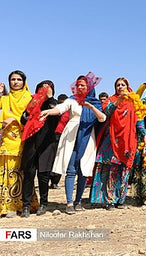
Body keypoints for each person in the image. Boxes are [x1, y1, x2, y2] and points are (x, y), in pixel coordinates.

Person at [40, 74, 105, 214]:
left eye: (83, 85)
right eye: (78, 85)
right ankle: (69, 203)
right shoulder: (72, 100)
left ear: (89, 87)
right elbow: (60, 108)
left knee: (83, 170)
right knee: (71, 170)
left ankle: (78, 201)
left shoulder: (95, 102)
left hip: (88, 138)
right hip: (71, 136)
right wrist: (49, 112)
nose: (80, 87)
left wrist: (90, 107)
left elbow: (102, 118)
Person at [90, 78, 146, 209]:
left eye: (123, 85)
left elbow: (139, 121)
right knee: (110, 171)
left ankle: (120, 200)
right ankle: (109, 200)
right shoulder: (110, 100)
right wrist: (118, 102)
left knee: (124, 171)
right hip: (111, 141)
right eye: (118, 85)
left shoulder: (134, 102)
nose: (120, 87)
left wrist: (144, 135)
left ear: (127, 86)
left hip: (127, 142)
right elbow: (105, 114)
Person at [20, 81, 59, 217]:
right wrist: (33, 104)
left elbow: (57, 116)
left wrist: (50, 98)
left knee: (43, 176)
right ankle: (26, 206)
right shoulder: (33, 102)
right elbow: (23, 119)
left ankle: (44, 204)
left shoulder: (53, 105)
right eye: (41, 87)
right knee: (29, 175)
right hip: (31, 143)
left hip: (47, 144)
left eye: (47, 88)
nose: (44, 90)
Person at [0, 70, 32, 217]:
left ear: (24, 81)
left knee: (17, 171)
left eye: (19, 79)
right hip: (5, 139)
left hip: (21, 138)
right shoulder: (5, 99)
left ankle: (17, 204)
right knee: (4, 171)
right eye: (13, 79)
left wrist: (14, 119)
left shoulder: (29, 99)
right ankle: (6, 205)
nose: (16, 82)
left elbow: (31, 119)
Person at [50, 93, 68, 189]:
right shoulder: (55, 111)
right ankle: (52, 181)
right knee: (52, 159)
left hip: (63, 136)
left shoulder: (69, 111)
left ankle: (55, 182)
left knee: (59, 159)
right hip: (53, 136)